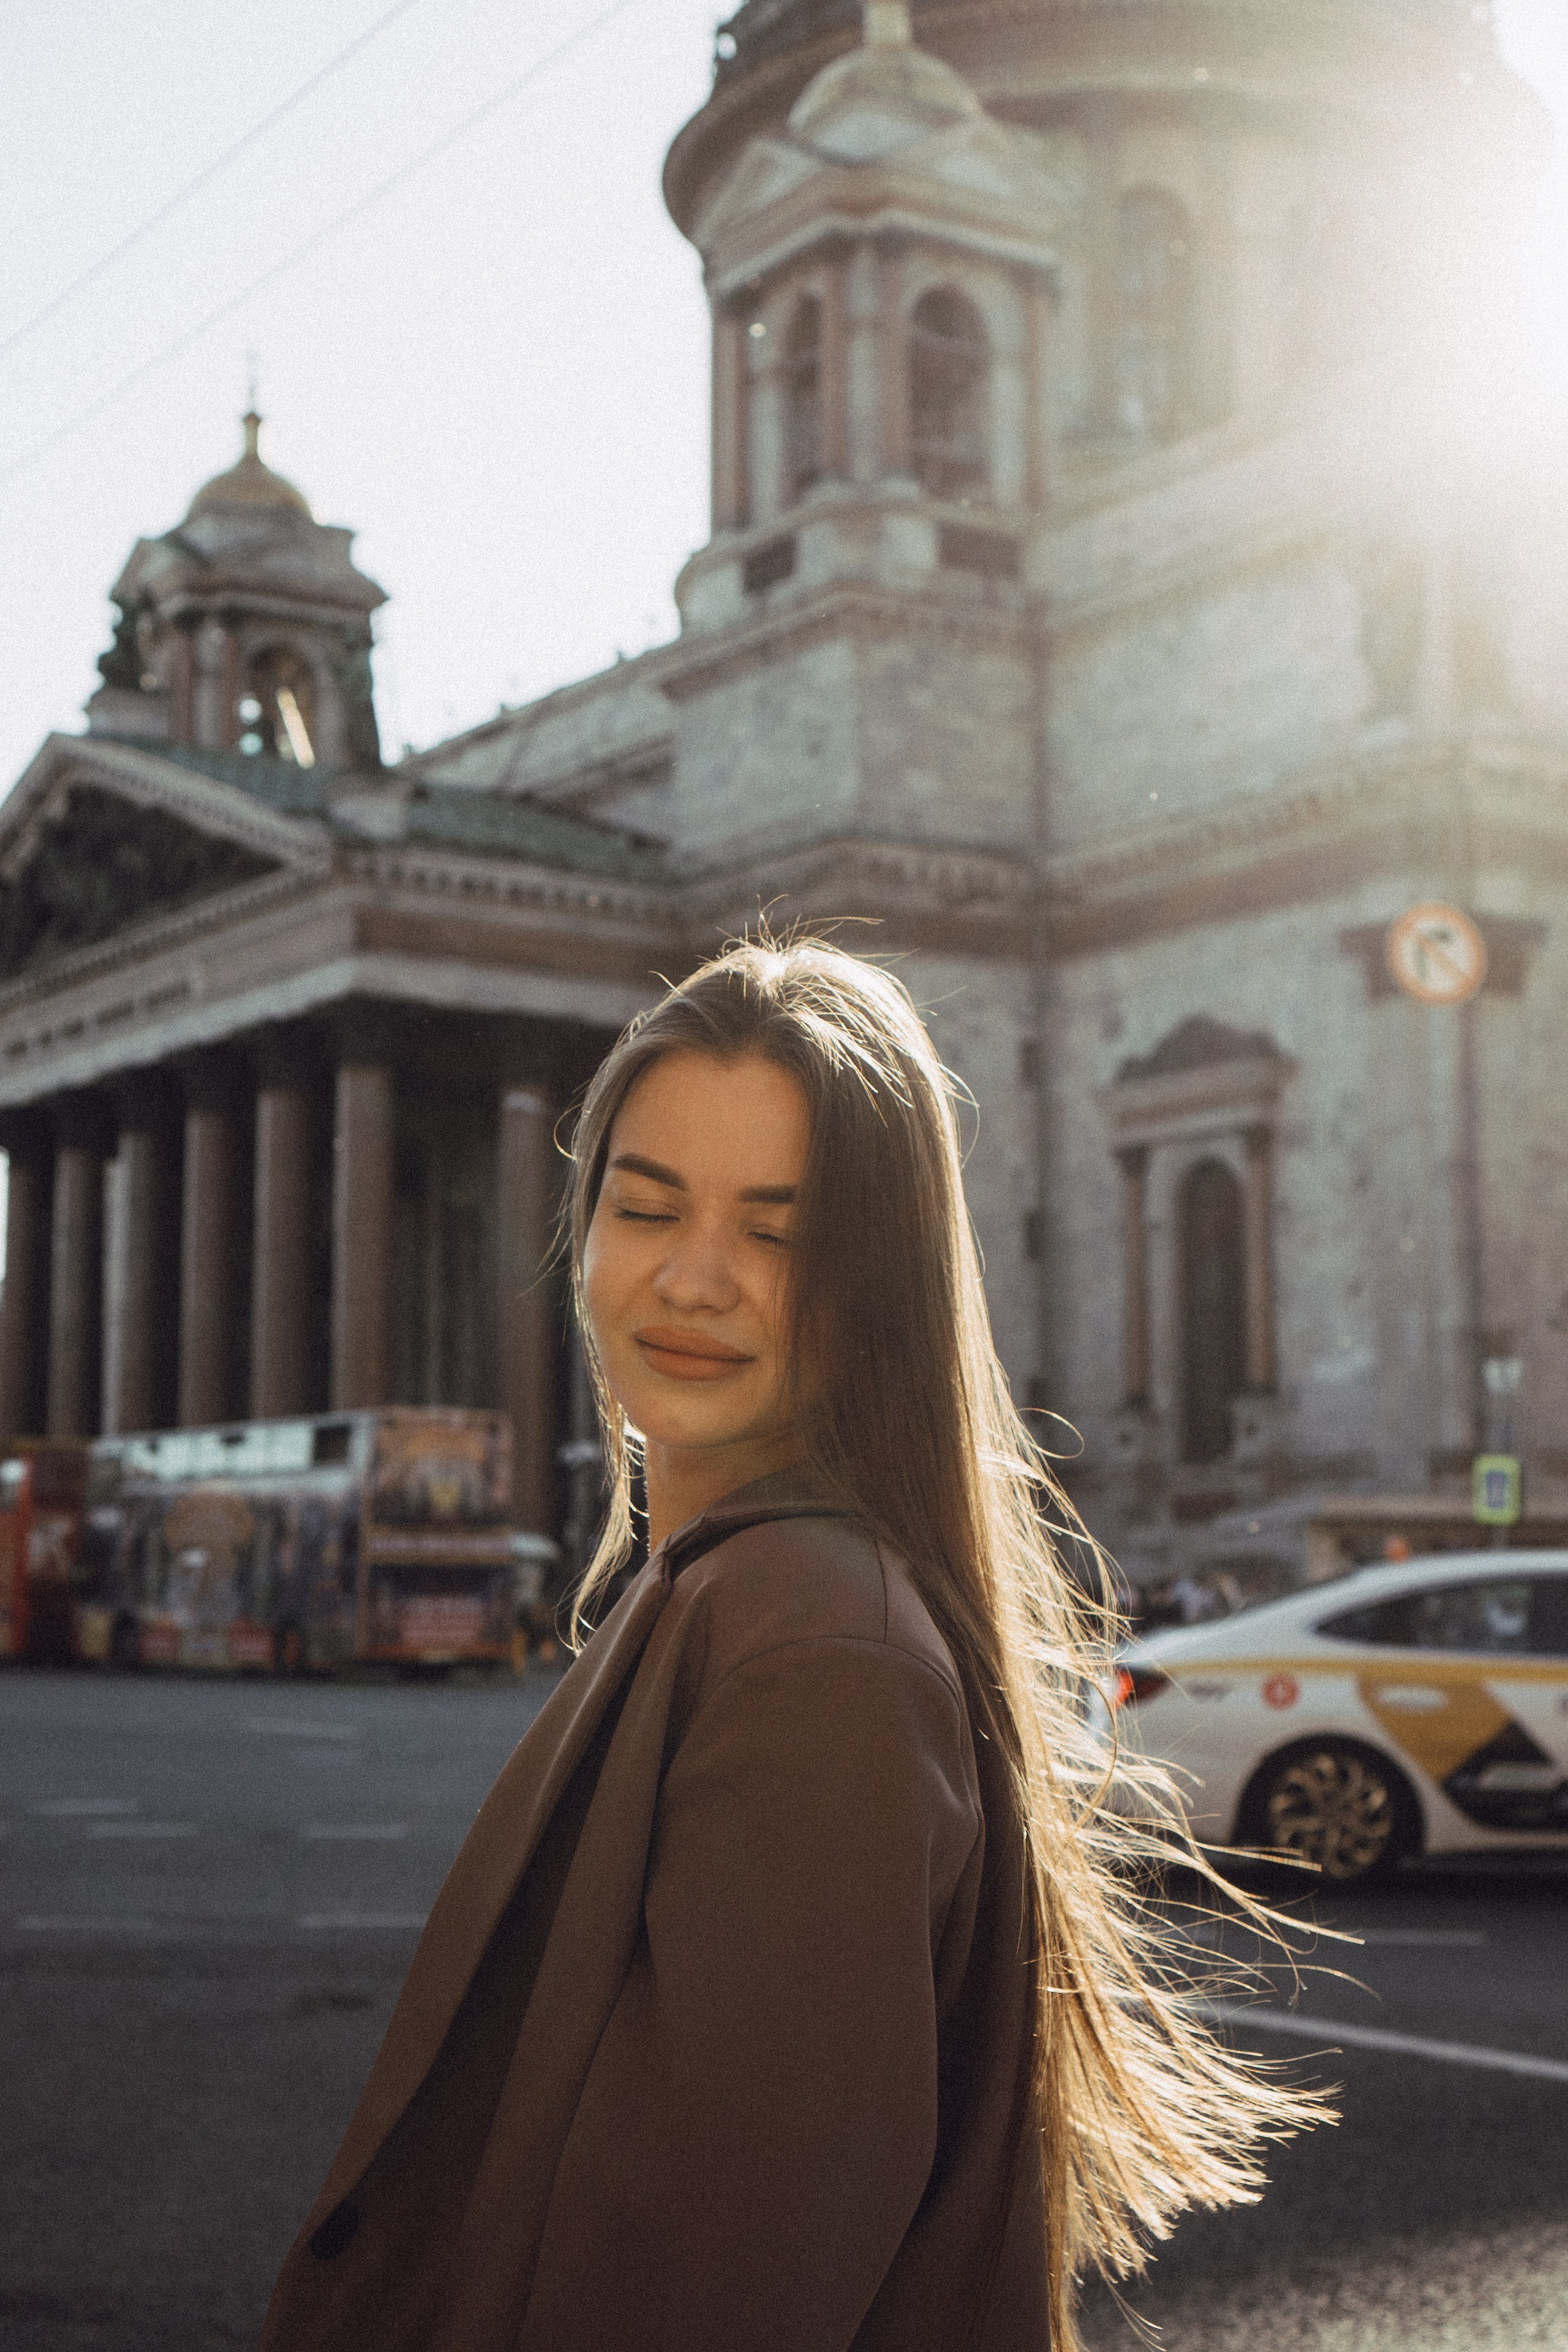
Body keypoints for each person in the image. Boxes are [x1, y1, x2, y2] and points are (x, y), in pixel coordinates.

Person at [259, 936, 1320, 2352]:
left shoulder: (815, 1647)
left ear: (879, 1286)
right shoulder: (738, 1588)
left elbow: (704, 2289)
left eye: (779, 1235)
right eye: (645, 1208)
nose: (694, 1279)